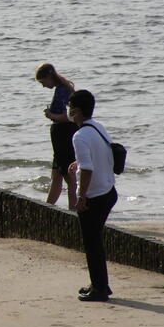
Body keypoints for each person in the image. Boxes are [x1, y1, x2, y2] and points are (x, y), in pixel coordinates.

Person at [67, 89, 118, 302]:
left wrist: (81, 197)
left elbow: (87, 169)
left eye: (70, 108)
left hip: (95, 196)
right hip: (109, 190)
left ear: (77, 111)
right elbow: (101, 155)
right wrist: (78, 163)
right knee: (95, 241)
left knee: (92, 243)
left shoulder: (79, 135)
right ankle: (99, 284)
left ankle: (99, 289)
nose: (68, 111)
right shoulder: (98, 127)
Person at [35, 63, 78, 209]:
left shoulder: (62, 90)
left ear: (49, 77)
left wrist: (50, 115)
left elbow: (69, 117)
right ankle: (48, 208)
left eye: (42, 82)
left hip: (64, 134)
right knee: (56, 175)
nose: (43, 86)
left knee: (68, 175)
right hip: (61, 135)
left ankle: (73, 209)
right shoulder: (64, 88)